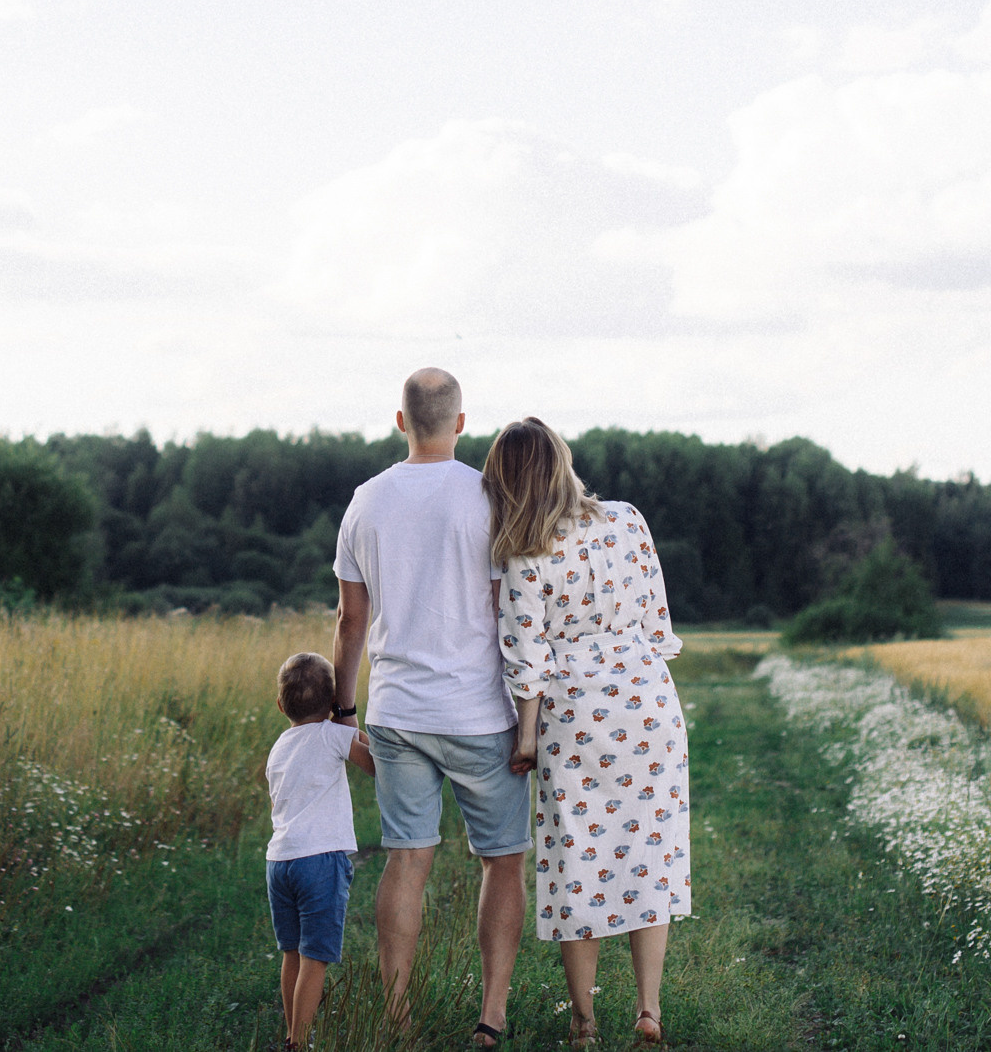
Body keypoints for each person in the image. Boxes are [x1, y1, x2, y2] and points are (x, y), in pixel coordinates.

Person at [331, 367, 528, 1050]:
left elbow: (350, 620)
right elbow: (510, 611)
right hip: (480, 712)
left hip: (396, 711)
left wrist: (342, 712)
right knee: (502, 860)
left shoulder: (365, 500)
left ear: (399, 420)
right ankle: (491, 1016)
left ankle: (395, 1016)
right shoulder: (488, 496)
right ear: (462, 422)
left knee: (406, 858)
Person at [490, 417, 691, 1047]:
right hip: (648, 700)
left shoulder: (525, 550)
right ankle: (649, 1010)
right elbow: (659, 620)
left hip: (574, 711)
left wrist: (526, 740)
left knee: (577, 858)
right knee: (649, 856)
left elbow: (527, 657)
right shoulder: (628, 519)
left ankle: (583, 1022)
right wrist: (637, 656)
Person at [265, 651, 376, 1051]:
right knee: (316, 957)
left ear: (281, 706)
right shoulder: (334, 734)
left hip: (279, 861)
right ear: (331, 703)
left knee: (292, 953)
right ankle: (299, 1041)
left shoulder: (279, 747)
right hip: (320, 860)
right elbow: (375, 766)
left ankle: (292, 1033)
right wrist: (354, 723)